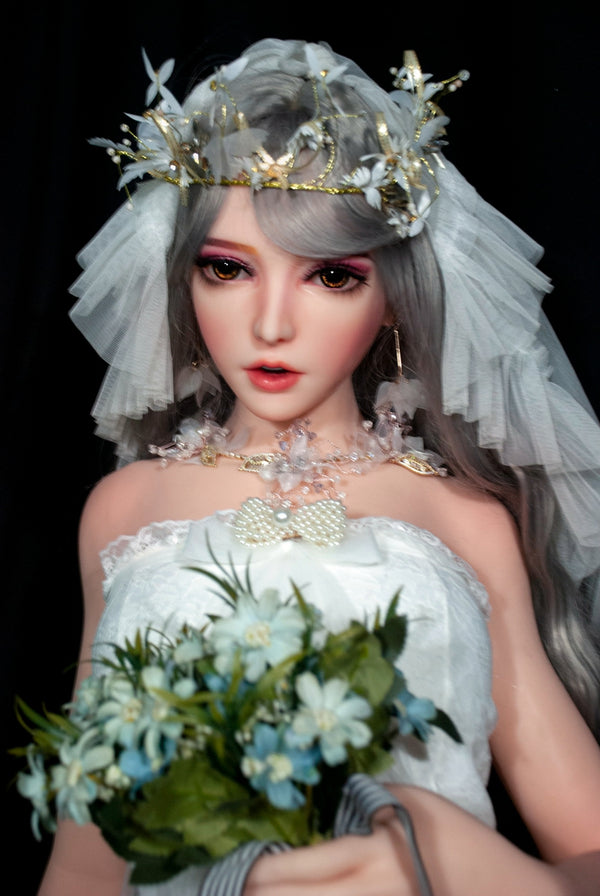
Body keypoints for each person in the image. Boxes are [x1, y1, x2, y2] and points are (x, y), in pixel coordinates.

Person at [35, 37, 600, 896]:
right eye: (228, 269)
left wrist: (473, 865)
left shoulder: (464, 522)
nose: (271, 325)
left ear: (392, 297)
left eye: (330, 277)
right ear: (185, 278)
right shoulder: (124, 511)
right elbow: (84, 866)